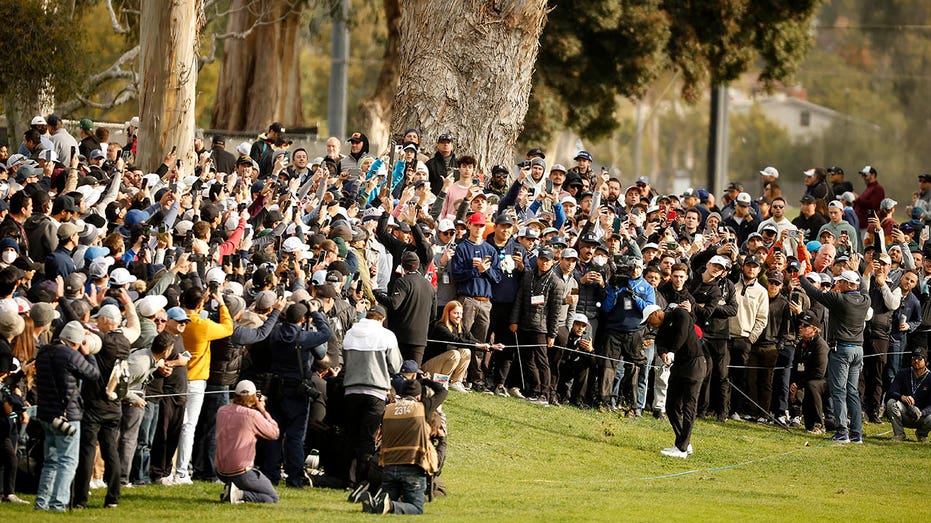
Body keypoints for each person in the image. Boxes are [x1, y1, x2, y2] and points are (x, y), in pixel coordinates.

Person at [33, 321, 100, 512]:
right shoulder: (70, 354)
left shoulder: (44, 353)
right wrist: (89, 354)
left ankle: (41, 502)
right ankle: (58, 503)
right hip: (67, 415)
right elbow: (93, 375)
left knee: (50, 461)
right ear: (76, 341)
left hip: (47, 414)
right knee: (68, 460)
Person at [799, 269, 871, 443]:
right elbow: (865, 289)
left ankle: (842, 432)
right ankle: (856, 433)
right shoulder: (865, 300)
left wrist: (802, 276)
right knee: (852, 392)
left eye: (840, 282)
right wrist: (862, 272)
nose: (836, 285)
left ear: (848, 284)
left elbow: (814, 292)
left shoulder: (839, 300)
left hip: (842, 350)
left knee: (839, 391)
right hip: (858, 350)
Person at [363, 377, 447, 515]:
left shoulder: (388, 409)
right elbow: (442, 391)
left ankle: (377, 503)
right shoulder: (422, 407)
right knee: (417, 508)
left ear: (400, 394)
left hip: (389, 466)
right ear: (419, 396)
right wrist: (425, 381)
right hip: (412, 465)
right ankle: (389, 505)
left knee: (386, 502)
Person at [341, 305, 402, 486]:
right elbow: (396, 365)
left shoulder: (351, 333)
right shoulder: (386, 335)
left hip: (351, 389)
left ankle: (346, 478)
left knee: (350, 434)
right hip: (376, 391)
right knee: (367, 436)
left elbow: (345, 357)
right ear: (382, 319)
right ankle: (362, 479)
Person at [644, 304, 706, 458]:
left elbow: (682, 333)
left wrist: (672, 351)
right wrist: (664, 353)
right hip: (679, 366)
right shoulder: (662, 329)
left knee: (689, 406)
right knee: (671, 405)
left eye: (649, 319)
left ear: (657, 313)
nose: (649, 324)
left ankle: (682, 449)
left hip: (695, 364)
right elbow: (660, 343)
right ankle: (684, 442)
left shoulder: (679, 314)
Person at [215, 380, 281, 504]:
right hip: (241, 471)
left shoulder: (222, 411)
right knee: (272, 498)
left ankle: (233, 490)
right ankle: (239, 494)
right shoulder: (252, 415)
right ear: (254, 397)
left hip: (220, 472)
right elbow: (274, 433)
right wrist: (262, 410)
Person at [375, 251, 436, 365]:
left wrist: (376, 293)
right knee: (412, 373)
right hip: (420, 338)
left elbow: (394, 304)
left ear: (402, 266)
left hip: (401, 336)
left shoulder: (403, 282)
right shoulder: (429, 286)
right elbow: (433, 315)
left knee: (397, 371)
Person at [790, 311, 830, 433]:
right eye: (800, 324)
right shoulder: (801, 344)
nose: (800, 327)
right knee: (807, 384)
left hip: (826, 382)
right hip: (808, 380)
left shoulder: (820, 345)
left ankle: (819, 424)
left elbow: (819, 373)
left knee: (812, 384)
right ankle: (806, 420)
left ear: (815, 329)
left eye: (805, 325)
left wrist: (798, 384)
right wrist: (793, 384)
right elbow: (795, 367)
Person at [886, 349, 931, 442]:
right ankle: (899, 434)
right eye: (914, 358)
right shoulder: (903, 372)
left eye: (920, 358)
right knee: (891, 403)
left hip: (922, 416)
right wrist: (902, 397)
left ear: (926, 361)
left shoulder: (930, 377)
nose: (916, 361)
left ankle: (921, 434)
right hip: (905, 412)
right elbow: (890, 392)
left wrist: (922, 413)